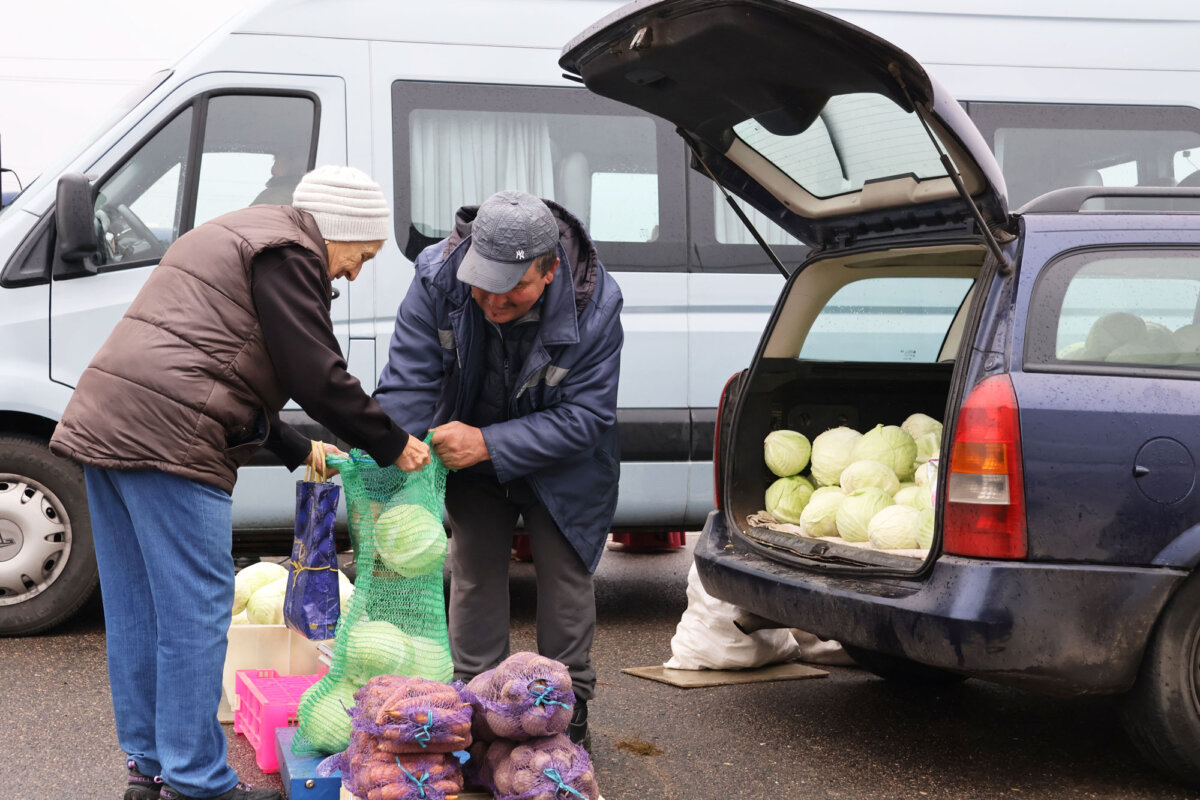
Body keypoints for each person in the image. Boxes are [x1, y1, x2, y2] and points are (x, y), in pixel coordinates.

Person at [49, 165, 431, 800]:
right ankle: (197, 782)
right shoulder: (291, 253)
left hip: (107, 423)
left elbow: (210, 358)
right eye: (360, 256)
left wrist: (294, 446)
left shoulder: (238, 232)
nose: (353, 273)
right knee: (195, 614)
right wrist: (393, 443)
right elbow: (313, 371)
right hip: (168, 439)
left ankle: (149, 768)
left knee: (139, 610)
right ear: (336, 232)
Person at [374, 189, 624, 748]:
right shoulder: (439, 278)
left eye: (511, 287)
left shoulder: (597, 304)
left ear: (551, 268)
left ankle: (563, 709)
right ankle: (476, 707)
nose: (492, 299)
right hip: (468, 447)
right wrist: (387, 458)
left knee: (565, 575)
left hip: (567, 459)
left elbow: (587, 415)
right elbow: (410, 379)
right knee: (474, 570)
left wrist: (488, 442)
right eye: (481, 280)